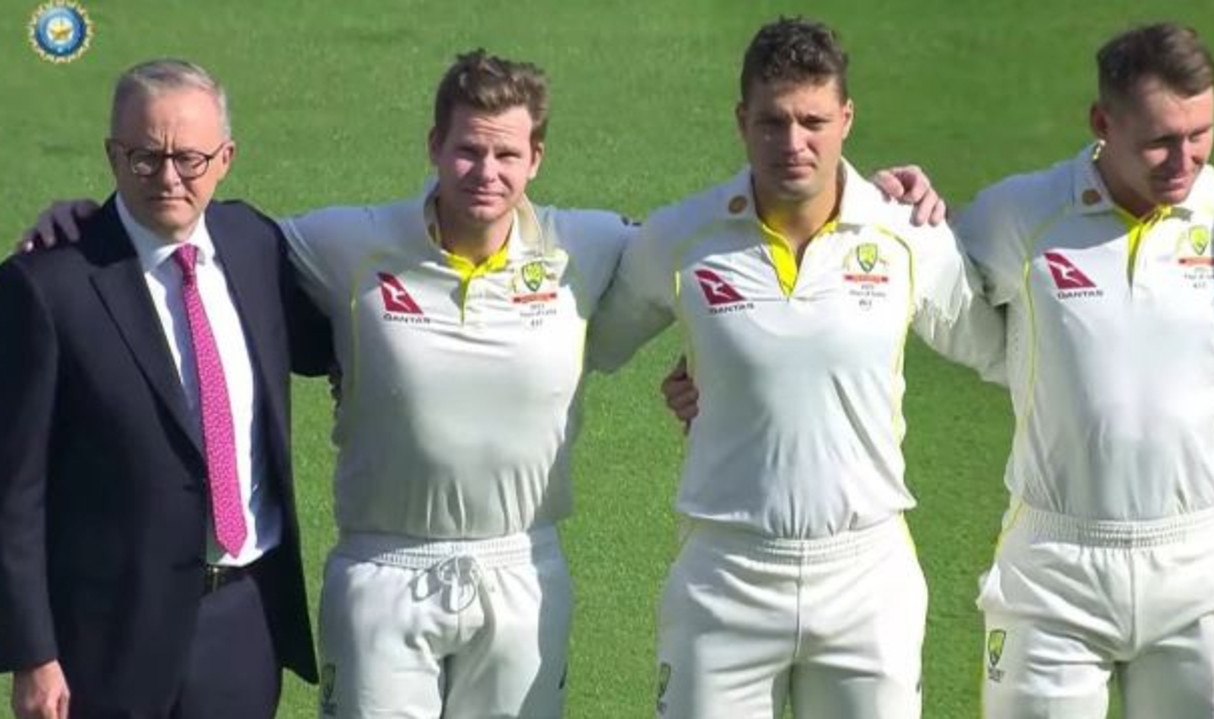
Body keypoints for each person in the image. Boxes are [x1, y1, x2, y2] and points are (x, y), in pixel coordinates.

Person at [16, 49, 944, 719]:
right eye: (467, 150)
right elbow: (191, 226)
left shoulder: (592, 243)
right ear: (433, 146)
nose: (485, 172)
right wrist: (90, 223)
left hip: (521, 568)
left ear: (535, 158)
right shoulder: (343, 241)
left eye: (506, 153)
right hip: (384, 571)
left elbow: (728, 265)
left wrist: (877, 197)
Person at [587, 17, 1005, 718]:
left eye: (812, 120)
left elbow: (1002, 352)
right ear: (740, 120)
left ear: (845, 118)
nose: (793, 143)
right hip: (725, 574)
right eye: (771, 122)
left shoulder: (904, 237)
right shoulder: (681, 237)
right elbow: (584, 343)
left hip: (865, 576)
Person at [956, 21, 1214, 718]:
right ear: (1102, 122)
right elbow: (904, 290)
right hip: (1055, 565)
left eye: (1200, 133)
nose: (1183, 159)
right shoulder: (1020, 212)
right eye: (1160, 139)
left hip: (1198, 561)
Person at [0, 59, 331, 719]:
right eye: (144, 157)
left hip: (242, 621)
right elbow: (13, 487)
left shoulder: (254, 244)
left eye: (188, 157)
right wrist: (32, 654)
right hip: (105, 639)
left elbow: (336, 344)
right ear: (111, 155)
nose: (169, 178)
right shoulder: (47, 284)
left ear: (226, 157)